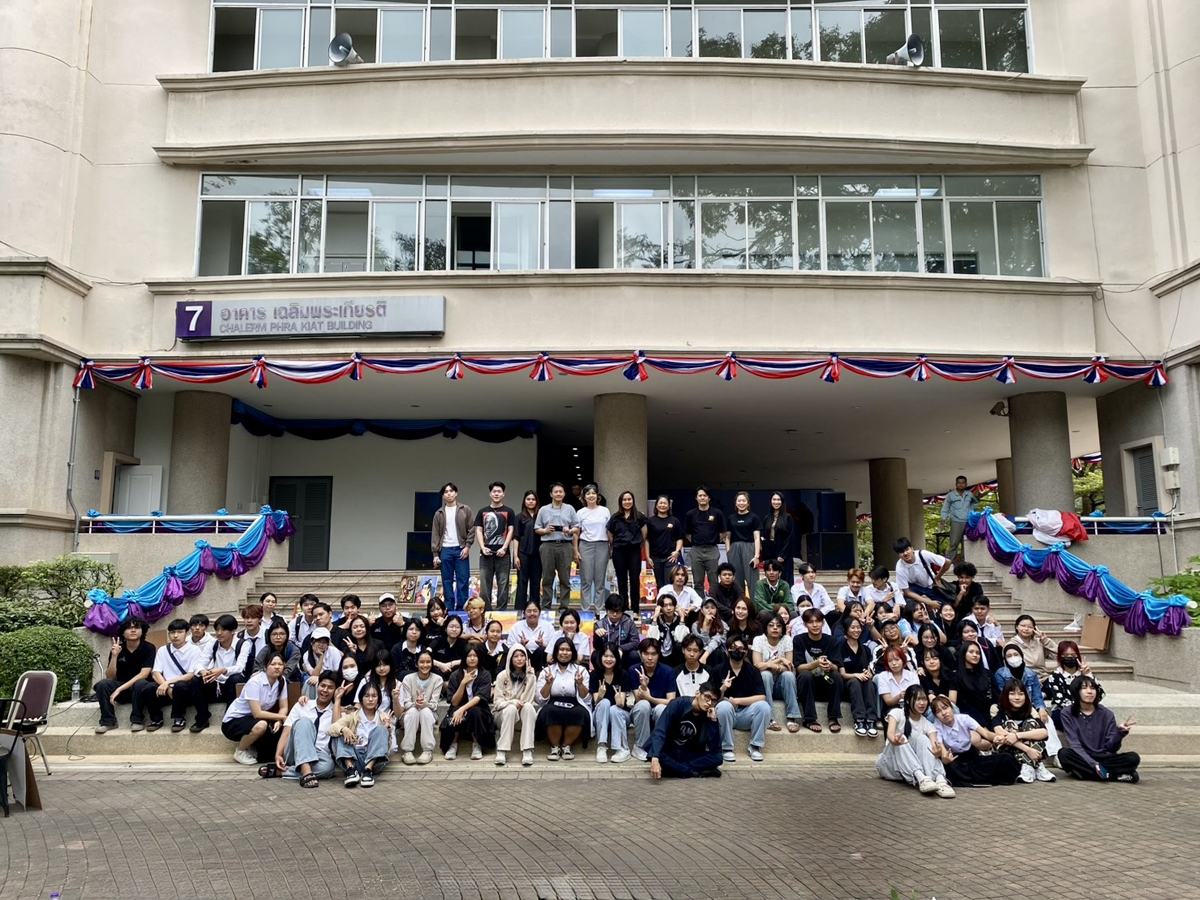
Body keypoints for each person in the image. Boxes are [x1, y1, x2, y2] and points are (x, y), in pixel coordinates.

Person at [876, 685, 956, 798]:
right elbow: (890, 733)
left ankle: (940, 780)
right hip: (890, 765)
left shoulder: (928, 724)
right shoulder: (896, 713)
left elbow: (934, 745)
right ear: (908, 700)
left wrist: (939, 753)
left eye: (924, 699)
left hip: (908, 769)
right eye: (918, 699)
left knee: (923, 739)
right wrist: (895, 740)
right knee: (901, 738)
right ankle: (922, 779)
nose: (922, 703)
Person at [1058, 675, 1141, 783]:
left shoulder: (1107, 714)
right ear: (1076, 692)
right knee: (1064, 754)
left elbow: (1111, 748)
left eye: (1093, 688)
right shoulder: (1067, 713)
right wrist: (1094, 764)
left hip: (1105, 757)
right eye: (1084, 688)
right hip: (1083, 756)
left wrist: (1119, 733)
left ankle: (1084, 773)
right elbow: (1074, 744)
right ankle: (1115, 777)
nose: (1089, 692)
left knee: (1133, 758)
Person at [930, 695, 1021, 787]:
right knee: (951, 771)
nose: (944, 713)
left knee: (1006, 759)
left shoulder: (964, 719)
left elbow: (986, 734)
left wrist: (997, 737)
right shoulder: (936, 727)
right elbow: (943, 753)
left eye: (945, 708)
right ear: (936, 716)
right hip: (955, 761)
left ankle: (976, 779)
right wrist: (946, 759)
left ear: (952, 708)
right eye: (938, 711)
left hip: (972, 757)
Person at [993, 642, 1063, 759]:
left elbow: (1037, 695)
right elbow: (1002, 695)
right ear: (1004, 659)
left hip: (1028, 707)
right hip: (1010, 709)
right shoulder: (1001, 674)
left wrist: (1041, 708)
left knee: (1046, 720)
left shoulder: (1031, 673)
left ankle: (1055, 755)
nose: (1013, 658)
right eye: (1009, 656)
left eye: (1016, 654)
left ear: (1021, 655)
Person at [223, 650, 288, 769]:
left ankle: (253, 748)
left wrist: (279, 720)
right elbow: (257, 713)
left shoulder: (281, 681)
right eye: (273, 664)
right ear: (265, 666)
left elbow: (284, 707)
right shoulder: (255, 682)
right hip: (234, 721)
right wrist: (282, 717)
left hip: (253, 719)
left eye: (280, 664)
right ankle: (240, 751)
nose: (277, 667)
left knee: (268, 755)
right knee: (261, 725)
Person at [712, 636, 772, 763]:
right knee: (723, 706)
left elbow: (761, 696)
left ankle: (755, 746)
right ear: (727, 650)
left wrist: (737, 701)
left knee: (764, 706)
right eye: (733, 648)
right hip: (725, 715)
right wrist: (722, 689)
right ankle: (726, 748)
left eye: (740, 648)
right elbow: (712, 699)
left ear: (746, 652)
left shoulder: (753, 671)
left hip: (746, 714)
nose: (737, 651)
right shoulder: (718, 669)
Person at [275, 670, 339, 787]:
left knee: (328, 768)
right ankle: (306, 771)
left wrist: (338, 702)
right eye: (322, 686)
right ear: (317, 686)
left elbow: (337, 729)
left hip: (319, 756)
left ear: (335, 690)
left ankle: (280, 772)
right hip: (294, 751)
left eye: (330, 688)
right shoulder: (302, 705)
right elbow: (286, 732)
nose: (325, 690)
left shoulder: (336, 713)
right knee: (304, 722)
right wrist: (278, 754)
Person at [648, 684, 725, 779]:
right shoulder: (678, 704)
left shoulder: (707, 714)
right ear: (697, 693)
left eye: (713, 701)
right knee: (655, 752)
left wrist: (713, 721)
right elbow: (660, 730)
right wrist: (655, 758)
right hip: (669, 751)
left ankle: (679, 770)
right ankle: (694, 772)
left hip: (688, 754)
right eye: (707, 697)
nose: (709, 703)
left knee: (718, 758)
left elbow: (715, 749)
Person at [93, 616, 154, 734]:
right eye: (129, 628)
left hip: (139, 690)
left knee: (140, 683)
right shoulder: (118, 649)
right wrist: (114, 656)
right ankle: (108, 721)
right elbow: (110, 677)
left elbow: (144, 674)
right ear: (123, 633)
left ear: (142, 631)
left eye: (137, 627)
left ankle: (137, 720)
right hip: (122, 689)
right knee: (102, 684)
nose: (133, 630)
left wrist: (119, 689)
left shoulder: (148, 648)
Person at [536, 637, 592, 760]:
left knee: (580, 713)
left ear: (573, 652)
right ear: (556, 652)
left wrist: (580, 684)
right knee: (550, 711)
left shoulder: (581, 670)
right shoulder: (547, 670)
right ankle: (555, 747)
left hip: (575, 702)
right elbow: (540, 699)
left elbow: (587, 699)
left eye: (568, 650)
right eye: (561, 649)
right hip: (552, 702)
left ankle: (566, 746)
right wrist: (548, 684)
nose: (564, 653)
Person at [328, 681, 393, 788]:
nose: (370, 699)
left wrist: (388, 730)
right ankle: (351, 770)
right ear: (361, 699)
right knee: (338, 732)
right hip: (354, 758)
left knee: (381, 729)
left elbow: (389, 747)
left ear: (379, 699)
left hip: (374, 761)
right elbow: (331, 728)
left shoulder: (384, 717)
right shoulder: (353, 716)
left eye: (374, 696)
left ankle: (368, 771)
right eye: (366, 696)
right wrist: (344, 729)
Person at [143, 618, 203, 733]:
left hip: (184, 690)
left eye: (180, 632)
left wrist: (168, 683)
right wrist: (166, 686)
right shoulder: (163, 650)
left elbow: (191, 675)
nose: (175, 635)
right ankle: (156, 719)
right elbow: (156, 673)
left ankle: (179, 718)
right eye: (172, 632)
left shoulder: (194, 650)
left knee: (180, 686)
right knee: (149, 688)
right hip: (166, 690)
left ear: (187, 633)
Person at [194, 614, 253, 728]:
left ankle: (229, 718)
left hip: (232, 686)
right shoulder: (213, 643)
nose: (219, 633)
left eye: (223, 630)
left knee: (236, 678)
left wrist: (223, 670)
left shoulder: (243, 644)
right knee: (195, 680)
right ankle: (202, 718)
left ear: (233, 631)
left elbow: (240, 667)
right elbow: (200, 663)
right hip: (216, 684)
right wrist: (203, 671)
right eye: (217, 630)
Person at [994, 679, 1056, 783]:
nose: (1017, 697)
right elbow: (998, 731)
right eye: (1012, 694)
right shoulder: (998, 708)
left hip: (1026, 748)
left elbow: (1044, 733)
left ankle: (1031, 766)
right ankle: (1034, 764)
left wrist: (1017, 736)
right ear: (1005, 695)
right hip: (1008, 751)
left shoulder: (1030, 709)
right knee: (1009, 725)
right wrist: (1028, 750)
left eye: (1021, 694)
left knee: (1030, 723)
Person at [793, 608, 844, 734]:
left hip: (825, 680)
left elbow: (837, 666)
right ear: (805, 624)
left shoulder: (831, 641)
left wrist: (830, 665)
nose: (815, 625)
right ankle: (810, 719)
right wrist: (815, 664)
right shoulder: (799, 640)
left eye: (818, 621)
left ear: (823, 623)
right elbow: (799, 667)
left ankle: (833, 717)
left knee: (835, 676)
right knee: (805, 675)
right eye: (810, 622)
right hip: (807, 685)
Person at [440, 646, 495, 760]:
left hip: (479, 709)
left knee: (475, 712)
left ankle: (476, 744)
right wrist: (463, 683)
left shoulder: (485, 674)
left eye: (475, 656)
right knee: (454, 712)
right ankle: (453, 744)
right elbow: (454, 702)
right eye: (469, 656)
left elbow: (479, 698)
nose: (472, 658)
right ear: (464, 658)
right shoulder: (455, 675)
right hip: (458, 707)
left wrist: (462, 709)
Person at [626, 637, 677, 760]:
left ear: (658, 655)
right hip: (640, 714)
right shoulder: (634, 670)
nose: (650, 658)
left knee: (661, 708)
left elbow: (671, 701)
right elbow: (639, 700)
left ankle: (658, 746)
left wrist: (650, 697)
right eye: (646, 654)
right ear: (640, 654)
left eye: (653, 654)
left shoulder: (668, 671)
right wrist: (644, 687)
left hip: (659, 714)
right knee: (644, 705)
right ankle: (640, 746)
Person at [752, 614, 801, 733]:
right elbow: (758, 666)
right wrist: (779, 660)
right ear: (766, 628)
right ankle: (769, 718)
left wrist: (769, 665)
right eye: (771, 625)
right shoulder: (758, 640)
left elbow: (789, 668)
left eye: (778, 626)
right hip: (763, 687)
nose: (775, 628)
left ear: (782, 629)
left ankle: (792, 717)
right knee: (765, 675)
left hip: (781, 687)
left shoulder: (787, 640)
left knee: (788, 675)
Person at [535, 482, 580, 609]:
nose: (558, 494)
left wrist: (569, 530)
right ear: (551, 494)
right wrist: (545, 530)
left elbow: (577, 527)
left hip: (565, 545)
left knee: (565, 578)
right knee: (547, 578)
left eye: (561, 491)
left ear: (564, 494)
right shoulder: (543, 510)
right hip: (547, 545)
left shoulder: (570, 509)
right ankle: (546, 607)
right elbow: (537, 528)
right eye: (556, 492)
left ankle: (564, 607)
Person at [431, 482, 474, 612]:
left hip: (461, 548)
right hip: (445, 549)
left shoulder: (465, 509)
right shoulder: (439, 513)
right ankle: (449, 608)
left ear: (456, 493)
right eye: (446, 492)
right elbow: (435, 534)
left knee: (463, 579)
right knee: (447, 581)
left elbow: (471, 529)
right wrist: (435, 554)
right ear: (443, 496)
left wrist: (467, 546)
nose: (449, 494)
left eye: (451, 491)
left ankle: (462, 608)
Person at [493, 645, 537, 766]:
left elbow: (527, 701)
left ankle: (527, 750)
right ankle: (502, 750)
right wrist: (512, 702)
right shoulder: (502, 676)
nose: (519, 659)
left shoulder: (530, 676)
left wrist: (530, 678)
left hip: (521, 716)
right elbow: (497, 703)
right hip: (502, 715)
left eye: (522, 656)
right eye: (516, 656)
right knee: (511, 709)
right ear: (510, 659)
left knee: (529, 707)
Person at [474, 480, 516, 610]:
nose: (496, 494)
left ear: (503, 494)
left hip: (503, 555)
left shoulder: (509, 511)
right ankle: (486, 611)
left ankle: (501, 611)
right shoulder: (482, 511)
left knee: (503, 585)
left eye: (499, 491)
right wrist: (482, 547)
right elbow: (479, 530)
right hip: (485, 555)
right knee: (485, 586)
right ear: (490, 494)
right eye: (494, 491)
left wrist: (504, 547)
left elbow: (511, 530)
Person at [836, 616, 880, 737]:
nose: (856, 630)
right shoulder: (840, 647)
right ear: (846, 630)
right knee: (855, 682)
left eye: (858, 627)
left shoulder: (865, 649)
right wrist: (856, 675)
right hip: (848, 685)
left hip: (863, 684)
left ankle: (871, 720)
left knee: (870, 683)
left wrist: (868, 674)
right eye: (853, 627)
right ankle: (859, 720)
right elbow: (842, 674)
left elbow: (869, 669)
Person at [399, 650, 444, 765]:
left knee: (425, 711)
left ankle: (427, 750)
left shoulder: (437, 679)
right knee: (413, 711)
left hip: (429, 714)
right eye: (422, 662)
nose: (425, 665)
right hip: (410, 715)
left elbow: (434, 705)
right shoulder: (408, 679)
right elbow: (406, 704)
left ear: (432, 664)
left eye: (428, 662)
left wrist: (425, 704)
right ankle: (407, 751)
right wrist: (415, 704)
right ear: (416, 664)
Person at [607, 491, 648, 612]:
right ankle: (623, 608)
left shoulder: (639, 516)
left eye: (629, 499)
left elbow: (644, 533)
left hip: (634, 551)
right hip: (619, 550)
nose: (627, 502)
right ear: (620, 502)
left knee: (634, 579)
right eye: (624, 500)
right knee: (621, 580)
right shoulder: (615, 517)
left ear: (633, 501)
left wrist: (638, 543)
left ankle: (635, 609)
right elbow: (610, 534)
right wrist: (615, 545)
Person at [684, 485, 727, 596]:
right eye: (700, 496)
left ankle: (714, 602)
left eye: (705, 495)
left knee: (714, 580)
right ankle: (699, 604)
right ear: (696, 498)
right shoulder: (690, 514)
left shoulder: (717, 513)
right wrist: (696, 541)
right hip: (696, 550)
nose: (702, 498)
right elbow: (687, 533)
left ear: (709, 498)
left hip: (712, 549)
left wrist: (714, 540)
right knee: (698, 581)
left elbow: (724, 532)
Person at [574, 484, 611, 611]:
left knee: (600, 581)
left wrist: (611, 547)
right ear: (584, 497)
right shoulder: (580, 512)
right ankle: (585, 610)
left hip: (602, 545)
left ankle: (599, 610)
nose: (591, 496)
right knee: (586, 580)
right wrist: (576, 550)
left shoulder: (605, 511)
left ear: (597, 495)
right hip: (585, 545)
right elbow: (576, 533)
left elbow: (609, 531)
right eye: (588, 493)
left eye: (593, 493)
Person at [591, 644, 631, 763]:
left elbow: (621, 704)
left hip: (619, 715)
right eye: (606, 656)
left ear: (617, 658)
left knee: (614, 709)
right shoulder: (594, 675)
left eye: (612, 656)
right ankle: (602, 746)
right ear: (600, 657)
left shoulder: (623, 674)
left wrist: (619, 702)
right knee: (604, 702)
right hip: (600, 717)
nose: (609, 659)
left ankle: (622, 749)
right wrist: (600, 695)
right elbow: (596, 703)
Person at [893, 538, 953, 615]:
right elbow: (907, 592)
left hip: (932, 585)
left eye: (907, 549)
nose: (905, 553)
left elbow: (947, 562)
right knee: (908, 604)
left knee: (946, 605)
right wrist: (929, 602)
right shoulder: (900, 567)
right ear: (898, 555)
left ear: (912, 549)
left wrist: (937, 578)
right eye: (901, 552)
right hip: (915, 587)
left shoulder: (923, 554)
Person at [1042, 640, 1101, 716]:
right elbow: (1060, 700)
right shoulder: (1054, 676)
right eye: (1065, 655)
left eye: (1073, 655)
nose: (1069, 657)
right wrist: (1081, 708)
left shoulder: (1084, 674)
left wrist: (1088, 675)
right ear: (1060, 656)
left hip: (1087, 708)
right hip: (1063, 711)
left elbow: (1100, 694)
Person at [644, 495, 684, 596]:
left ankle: (671, 602)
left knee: (670, 583)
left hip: (670, 558)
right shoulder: (651, 521)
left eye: (665, 503)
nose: (663, 505)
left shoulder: (674, 520)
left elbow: (679, 538)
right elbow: (647, 540)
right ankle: (662, 603)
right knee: (659, 584)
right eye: (660, 503)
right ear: (656, 505)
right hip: (655, 557)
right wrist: (648, 557)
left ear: (669, 506)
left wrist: (677, 551)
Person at [725, 491, 762, 599]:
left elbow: (757, 538)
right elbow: (727, 537)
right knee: (736, 580)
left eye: (744, 501)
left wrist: (756, 556)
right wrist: (728, 552)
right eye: (739, 501)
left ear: (748, 503)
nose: (741, 503)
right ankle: (739, 605)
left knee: (753, 581)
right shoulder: (731, 518)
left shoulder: (754, 517)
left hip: (749, 548)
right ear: (735, 503)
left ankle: (754, 607)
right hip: (734, 549)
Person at [951, 640, 996, 726]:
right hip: (970, 719)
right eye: (971, 652)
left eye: (978, 653)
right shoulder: (956, 676)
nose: (975, 655)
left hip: (991, 715)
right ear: (964, 654)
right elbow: (962, 704)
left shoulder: (987, 673)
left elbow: (996, 695)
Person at [289, 627, 343, 699]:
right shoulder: (307, 655)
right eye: (318, 641)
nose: (321, 645)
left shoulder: (334, 651)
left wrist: (320, 678)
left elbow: (337, 672)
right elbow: (314, 674)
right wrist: (321, 657)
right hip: (317, 682)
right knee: (310, 681)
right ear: (312, 642)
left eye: (324, 642)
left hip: (333, 681)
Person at [513, 489, 543, 610]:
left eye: (533, 499)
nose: (531, 501)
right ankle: (520, 609)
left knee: (536, 582)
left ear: (537, 501)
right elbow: (516, 537)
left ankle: (534, 609)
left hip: (538, 554)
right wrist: (516, 556)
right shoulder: (519, 517)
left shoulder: (541, 516)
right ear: (524, 501)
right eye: (528, 499)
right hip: (523, 553)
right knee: (522, 582)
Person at [592, 593, 641, 664]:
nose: (615, 614)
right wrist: (597, 637)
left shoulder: (629, 622)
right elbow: (597, 647)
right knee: (595, 655)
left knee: (634, 655)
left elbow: (635, 642)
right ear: (607, 610)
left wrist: (621, 648)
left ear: (622, 611)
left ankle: (629, 671)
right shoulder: (599, 624)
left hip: (623, 654)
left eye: (618, 611)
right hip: (606, 655)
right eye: (612, 611)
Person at [508, 600, 555, 671]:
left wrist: (543, 644)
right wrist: (521, 645)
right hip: (523, 658)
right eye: (529, 611)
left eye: (535, 611)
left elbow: (554, 647)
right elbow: (510, 647)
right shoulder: (516, 627)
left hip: (542, 658)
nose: (532, 614)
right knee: (522, 651)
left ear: (539, 613)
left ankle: (540, 675)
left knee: (541, 650)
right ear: (524, 613)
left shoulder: (548, 627)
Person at [793, 563, 838, 635]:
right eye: (808, 572)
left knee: (834, 614)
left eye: (813, 572)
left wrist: (819, 613)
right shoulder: (795, 588)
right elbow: (799, 605)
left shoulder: (820, 588)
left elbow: (830, 605)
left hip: (818, 615)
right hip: (802, 615)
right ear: (801, 575)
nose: (811, 575)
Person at [760, 491, 795, 585]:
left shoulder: (788, 517)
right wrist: (765, 557)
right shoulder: (767, 518)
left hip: (784, 551)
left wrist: (783, 555)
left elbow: (790, 537)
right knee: (771, 577)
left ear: (782, 501)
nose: (776, 502)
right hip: (770, 552)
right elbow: (764, 537)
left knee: (785, 579)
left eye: (778, 500)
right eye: (774, 499)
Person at [940, 475, 977, 561]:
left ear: (966, 484)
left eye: (963, 483)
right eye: (959, 483)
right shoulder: (951, 495)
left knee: (966, 543)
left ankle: (965, 563)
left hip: (968, 522)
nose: (961, 484)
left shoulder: (969, 494)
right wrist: (944, 518)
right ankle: (951, 563)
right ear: (956, 484)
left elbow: (974, 503)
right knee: (953, 543)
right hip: (956, 522)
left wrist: (971, 511)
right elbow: (945, 507)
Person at [648, 594, 689, 669]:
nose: (669, 608)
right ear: (660, 608)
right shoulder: (656, 620)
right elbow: (653, 640)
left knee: (679, 646)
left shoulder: (680, 620)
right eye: (665, 605)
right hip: (660, 656)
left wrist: (682, 617)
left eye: (671, 605)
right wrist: (655, 617)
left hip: (675, 656)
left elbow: (680, 640)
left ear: (675, 607)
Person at [876, 647, 919, 713]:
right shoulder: (883, 676)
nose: (894, 663)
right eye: (890, 661)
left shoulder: (912, 675)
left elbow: (916, 696)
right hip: (892, 708)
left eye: (897, 659)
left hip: (910, 706)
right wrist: (899, 696)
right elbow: (888, 702)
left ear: (903, 660)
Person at [753, 560, 794, 628]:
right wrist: (777, 610)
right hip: (768, 613)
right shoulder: (760, 584)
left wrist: (781, 611)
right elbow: (759, 604)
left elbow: (790, 604)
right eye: (769, 570)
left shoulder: (785, 585)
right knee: (763, 613)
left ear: (780, 573)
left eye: (774, 570)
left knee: (793, 614)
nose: (771, 573)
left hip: (782, 614)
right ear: (765, 573)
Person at [865, 566, 903, 635]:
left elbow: (902, 603)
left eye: (876, 579)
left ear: (884, 579)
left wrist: (898, 605)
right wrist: (884, 600)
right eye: (872, 579)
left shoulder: (893, 586)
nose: (873, 581)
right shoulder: (868, 590)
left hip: (892, 613)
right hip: (878, 618)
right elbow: (871, 608)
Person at [691, 598, 728, 666]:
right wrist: (705, 626)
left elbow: (717, 641)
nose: (710, 610)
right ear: (701, 610)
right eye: (706, 607)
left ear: (716, 610)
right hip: (700, 652)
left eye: (713, 608)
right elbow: (702, 644)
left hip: (718, 655)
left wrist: (705, 655)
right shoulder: (695, 625)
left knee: (716, 652)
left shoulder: (723, 625)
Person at [431, 614, 468, 679]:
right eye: (451, 626)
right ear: (446, 628)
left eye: (457, 627)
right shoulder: (439, 640)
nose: (454, 629)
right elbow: (426, 654)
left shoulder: (464, 643)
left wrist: (453, 663)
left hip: (456, 676)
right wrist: (441, 665)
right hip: (437, 675)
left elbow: (469, 659)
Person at [235, 605, 267, 680]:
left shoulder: (267, 635)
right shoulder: (239, 637)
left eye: (253, 618)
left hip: (264, 673)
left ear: (260, 619)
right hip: (243, 674)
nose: (249, 621)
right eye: (246, 618)